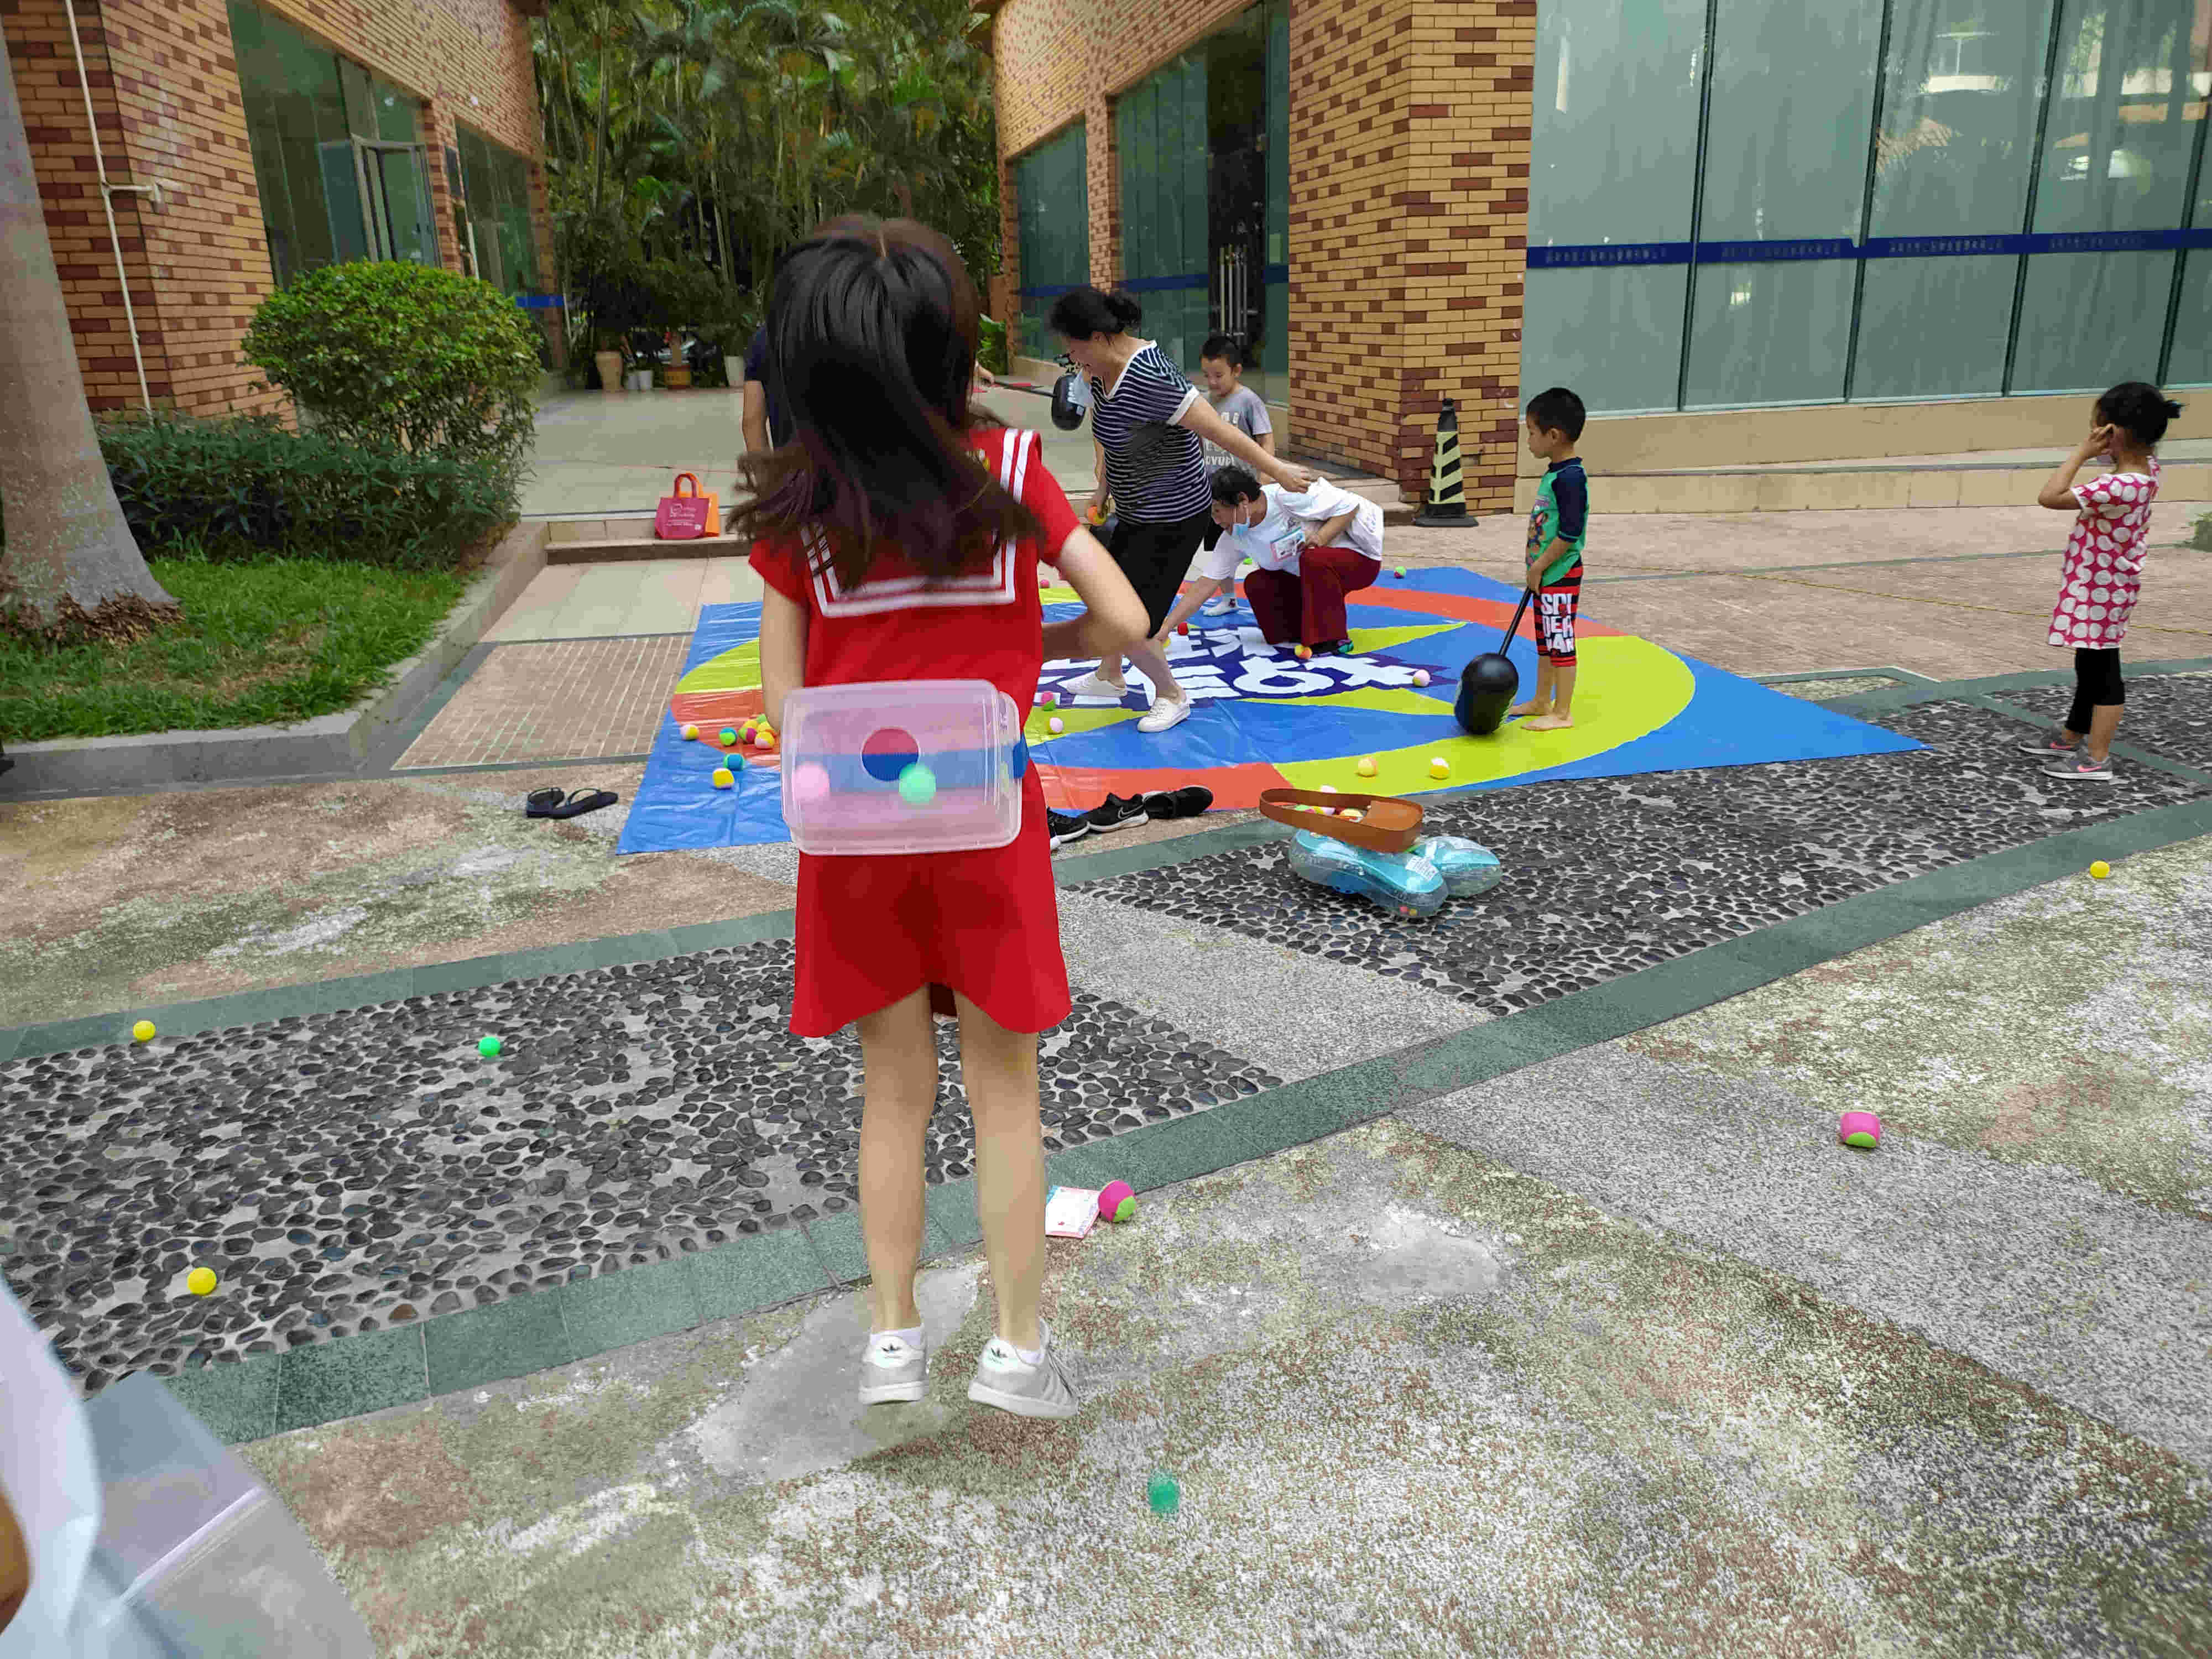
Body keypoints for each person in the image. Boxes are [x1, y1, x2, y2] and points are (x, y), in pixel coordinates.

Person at [733, 217, 1147, 1420]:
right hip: (986, 825)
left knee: (892, 1091)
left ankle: (891, 1342)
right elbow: (1125, 620)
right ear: (950, 346)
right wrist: (1035, 644)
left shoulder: (800, 506)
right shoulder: (1011, 469)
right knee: (1004, 1089)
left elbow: (784, 707)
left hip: (856, 840)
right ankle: (1014, 1354)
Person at [1047, 287, 1313, 732]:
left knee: (1130, 618)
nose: (1074, 362)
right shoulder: (1098, 373)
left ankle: (1172, 694)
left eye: (1075, 351)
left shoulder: (1151, 375)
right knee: (1112, 594)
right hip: (1135, 510)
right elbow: (1109, 432)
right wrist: (1101, 489)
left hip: (1174, 517)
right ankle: (1110, 676)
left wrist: (1277, 470)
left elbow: (1220, 432)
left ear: (1099, 337)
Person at [2025, 381, 2182, 782]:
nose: (2094, 433)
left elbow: (2050, 496)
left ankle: (2097, 759)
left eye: (2099, 426)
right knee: (2090, 664)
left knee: (2103, 672)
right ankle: (2071, 735)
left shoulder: (2120, 486)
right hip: (2103, 586)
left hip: (2102, 590)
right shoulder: (2144, 472)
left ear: (2116, 432)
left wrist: (2082, 452)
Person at [1155, 466, 1383, 653]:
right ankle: (1299, 632)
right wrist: (1166, 627)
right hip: (1309, 578)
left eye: (1217, 511)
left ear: (1242, 500)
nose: (1216, 521)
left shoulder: (1286, 496)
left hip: (1357, 560)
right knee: (1258, 583)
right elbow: (1205, 584)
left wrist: (1321, 537)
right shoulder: (1234, 537)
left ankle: (1332, 638)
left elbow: (1350, 506)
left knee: (1314, 559)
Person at [1511, 386, 1588, 732]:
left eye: (1531, 432)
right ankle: (1542, 700)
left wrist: (1540, 567)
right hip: (1546, 575)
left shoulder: (1570, 479)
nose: (1528, 440)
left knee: (1561, 642)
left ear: (1553, 435)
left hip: (1559, 574)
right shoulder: (1556, 472)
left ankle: (1562, 712)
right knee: (1545, 642)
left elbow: (1570, 533)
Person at [1196, 334, 1275, 615]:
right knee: (1218, 546)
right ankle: (1229, 598)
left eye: (1219, 375)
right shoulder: (1203, 403)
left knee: (1257, 542)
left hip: (1243, 493)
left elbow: (1266, 439)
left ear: (1236, 370)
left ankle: (1275, 592)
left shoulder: (1248, 401)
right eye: (1207, 375)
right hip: (1214, 493)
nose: (1212, 382)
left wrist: (1265, 477)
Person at [740, 322, 794, 454]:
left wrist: (765, 469)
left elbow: (752, 423)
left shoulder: (765, 336)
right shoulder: (841, 324)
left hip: (791, 463)